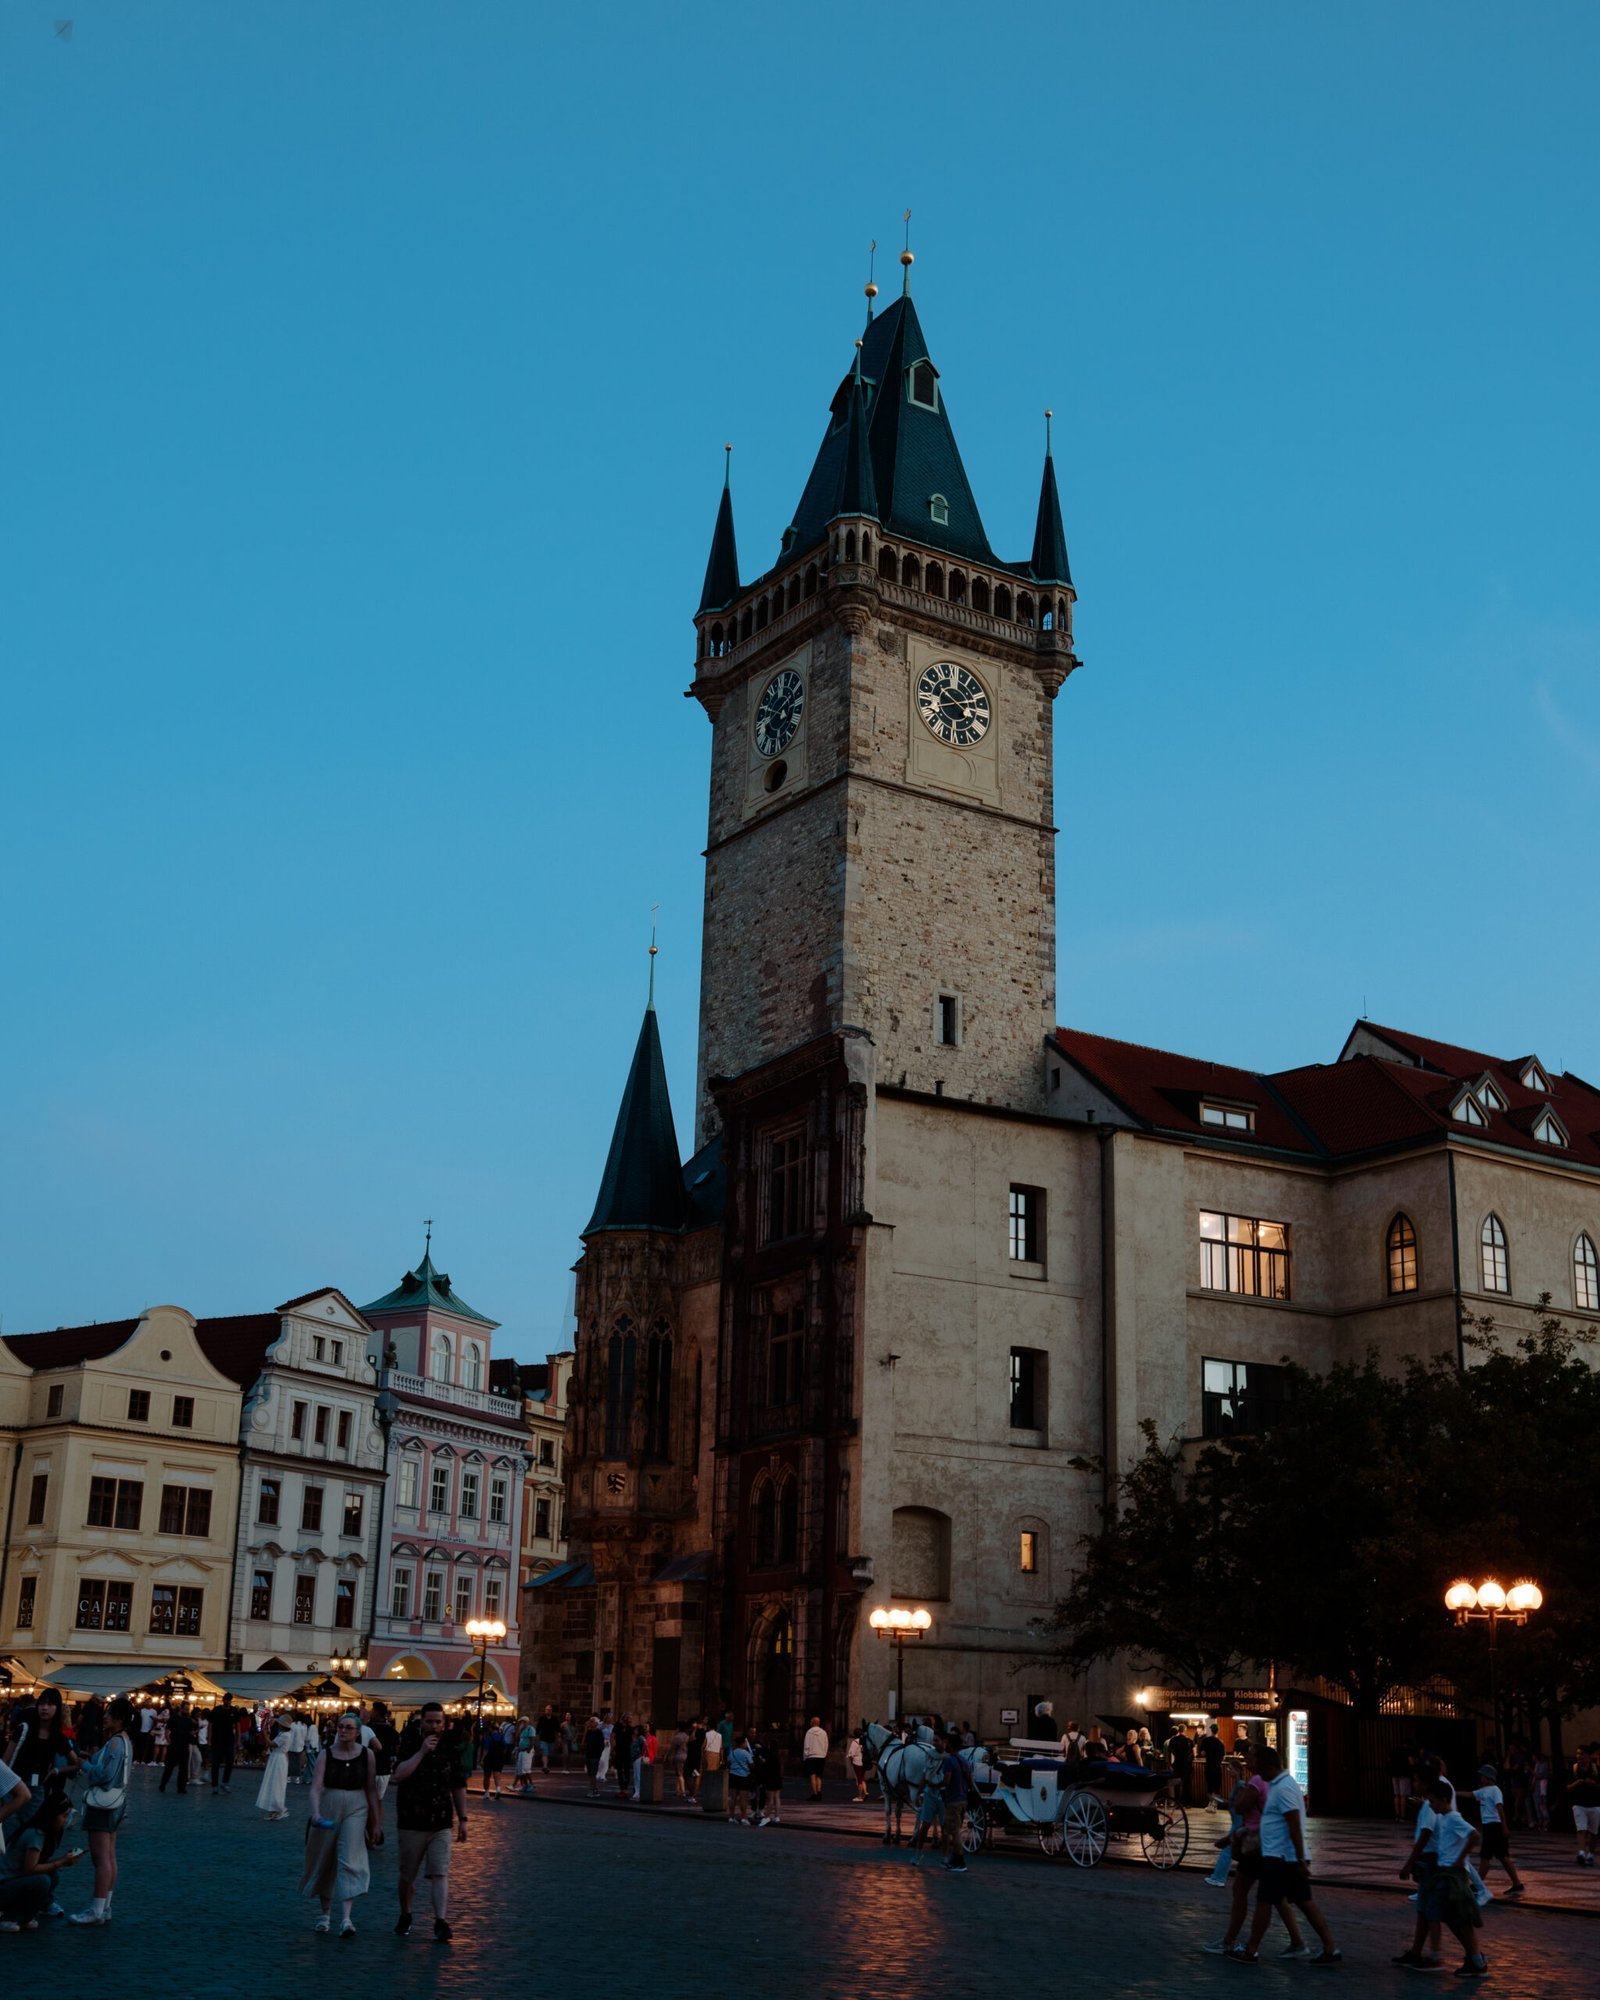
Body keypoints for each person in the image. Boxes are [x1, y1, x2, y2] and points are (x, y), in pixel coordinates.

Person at [1233, 1746, 1341, 1966]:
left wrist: (1301, 1859)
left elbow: (1293, 1824)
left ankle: (1251, 1950)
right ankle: (1330, 1948)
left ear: (1272, 1766)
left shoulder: (1283, 1789)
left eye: (1261, 1769)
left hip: (1281, 1857)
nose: (1258, 1774)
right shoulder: (1279, 1785)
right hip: (1285, 1856)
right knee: (1305, 1903)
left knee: (1264, 1902)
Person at [1202, 1745, 1307, 1958]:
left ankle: (1235, 1942)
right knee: (1276, 1897)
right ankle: (1298, 1942)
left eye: (1250, 1757)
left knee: (1243, 1892)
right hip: (1265, 1843)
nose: (1246, 1760)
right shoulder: (1272, 1782)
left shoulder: (1258, 1782)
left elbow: (1241, 1807)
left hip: (1256, 1843)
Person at [393, 1702, 469, 1942]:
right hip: (411, 1820)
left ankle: (440, 1921)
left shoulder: (450, 1749)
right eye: (429, 1721)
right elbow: (399, 1774)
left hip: (441, 1821)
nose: (434, 1726)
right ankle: (406, 1913)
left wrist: (463, 1819)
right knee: (408, 1876)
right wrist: (422, 1752)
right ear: (421, 1722)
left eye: (438, 1722)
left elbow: (458, 1785)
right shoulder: (409, 1744)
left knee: (440, 1873)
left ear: (444, 1724)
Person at [301, 1711, 381, 1936]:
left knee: (350, 1857)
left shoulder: (367, 1755)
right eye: (340, 1727)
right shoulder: (327, 1754)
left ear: (358, 1732)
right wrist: (315, 1813)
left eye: (348, 1727)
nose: (343, 1731)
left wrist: (376, 1822)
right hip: (329, 1804)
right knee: (325, 1857)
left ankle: (346, 1919)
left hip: (357, 1805)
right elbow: (316, 1787)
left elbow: (371, 1790)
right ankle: (325, 1914)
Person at [1400, 1776, 1488, 1978]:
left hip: (1451, 1874)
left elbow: (1474, 1835)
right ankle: (1474, 1959)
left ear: (1442, 1800)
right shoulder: (1446, 1818)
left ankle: (1436, 1956)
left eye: (1432, 1801)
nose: (1430, 1805)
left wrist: (1460, 1858)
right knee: (1454, 1919)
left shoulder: (1454, 1817)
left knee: (1436, 1913)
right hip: (1444, 1872)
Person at [66, 1695, 133, 1925]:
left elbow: (105, 1775)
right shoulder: (125, 1741)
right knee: (110, 1856)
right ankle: (105, 1906)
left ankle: (96, 1909)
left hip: (102, 1804)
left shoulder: (115, 1742)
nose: (104, 1717)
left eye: (109, 1713)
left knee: (100, 1857)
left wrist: (83, 1765)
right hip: (116, 1803)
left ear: (119, 1719)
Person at [0, 1780, 83, 1930]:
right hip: (4, 1884)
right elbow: (30, 1869)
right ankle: (11, 1917)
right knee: (42, 1881)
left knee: (51, 1876)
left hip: (12, 1881)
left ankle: (28, 1913)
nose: (66, 1821)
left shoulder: (45, 1832)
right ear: (53, 1815)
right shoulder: (36, 1834)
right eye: (64, 1816)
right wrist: (61, 1862)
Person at [1471, 1763, 1525, 1895]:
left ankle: (1478, 1885)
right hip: (1490, 1827)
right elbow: (1470, 1795)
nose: (1480, 1779)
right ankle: (1517, 1883)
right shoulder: (1484, 1791)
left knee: (1486, 1856)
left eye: (1482, 1776)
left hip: (1494, 1826)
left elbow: (1500, 1808)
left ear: (1488, 1778)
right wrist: (1452, 1793)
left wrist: (1504, 1827)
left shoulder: (1495, 1790)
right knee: (1501, 1856)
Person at [941, 1734, 970, 1873]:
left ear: (950, 1745)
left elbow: (947, 1780)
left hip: (953, 1800)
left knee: (954, 1832)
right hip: (963, 1799)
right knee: (952, 1829)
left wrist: (935, 1784)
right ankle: (954, 1859)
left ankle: (960, 1861)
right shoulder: (964, 1760)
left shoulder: (949, 1760)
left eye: (946, 1743)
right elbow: (970, 1780)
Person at [257, 1716, 293, 1818]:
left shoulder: (285, 1735)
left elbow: (272, 1744)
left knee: (276, 1784)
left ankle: (277, 1808)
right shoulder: (285, 1734)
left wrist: (264, 1732)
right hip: (278, 1759)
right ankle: (275, 1808)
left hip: (278, 1759)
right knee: (275, 1783)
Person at [1569, 1748, 1600, 1866]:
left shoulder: (1596, 1768)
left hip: (1595, 1804)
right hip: (1579, 1804)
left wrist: (1593, 1784)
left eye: (1582, 1754)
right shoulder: (1574, 1769)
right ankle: (1581, 1853)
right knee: (1581, 1829)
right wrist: (1579, 1782)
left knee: (1594, 1832)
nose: (1579, 1756)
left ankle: (1591, 1854)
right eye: (1577, 1754)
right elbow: (1567, 1787)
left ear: (1588, 1756)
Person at [159, 1704, 195, 1794]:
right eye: (186, 1709)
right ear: (181, 1709)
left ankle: (181, 1787)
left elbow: (190, 1732)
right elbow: (167, 1730)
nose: (187, 1711)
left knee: (183, 1768)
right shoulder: (173, 1718)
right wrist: (168, 1741)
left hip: (184, 1746)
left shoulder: (189, 1720)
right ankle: (163, 1784)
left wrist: (194, 1733)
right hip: (174, 1746)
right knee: (169, 1768)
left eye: (188, 1710)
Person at [754, 1729, 784, 1826]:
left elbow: (766, 1768)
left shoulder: (770, 1756)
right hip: (778, 1778)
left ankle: (766, 1817)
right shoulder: (778, 1756)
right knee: (777, 1798)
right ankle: (777, 1816)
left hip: (771, 1779)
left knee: (770, 1799)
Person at [210, 1696, 238, 1794]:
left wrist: (238, 1740)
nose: (228, 1702)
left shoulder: (234, 1710)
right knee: (215, 1763)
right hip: (217, 1740)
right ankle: (214, 1785)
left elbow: (237, 1725)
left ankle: (225, 1782)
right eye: (226, 1700)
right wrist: (209, 1739)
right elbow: (210, 1724)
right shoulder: (217, 1710)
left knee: (230, 1761)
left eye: (229, 1700)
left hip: (229, 1740)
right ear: (223, 1700)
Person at [727, 1730, 755, 1824]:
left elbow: (729, 1763)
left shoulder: (732, 1752)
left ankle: (731, 1817)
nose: (746, 1744)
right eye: (745, 1742)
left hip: (733, 1776)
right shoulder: (746, 1753)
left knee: (732, 1797)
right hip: (743, 1777)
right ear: (742, 1743)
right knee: (743, 1798)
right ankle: (744, 1817)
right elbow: (752, 1765)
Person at [802, 1716, 829, 1799]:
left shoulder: (809, 1732)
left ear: (812, 1722)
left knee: (812, 1775)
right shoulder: (823, 1732)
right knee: (819, 1775)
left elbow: (806, 1745)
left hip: (811, 1756)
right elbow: (826, 1744)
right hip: (821, 1756)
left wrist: (805, 1756)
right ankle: (819, 1790)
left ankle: (815, 1793)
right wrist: (824, 1754)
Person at [1200, 1724, 1226, 1804]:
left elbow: (1203, 1753)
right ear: (1218, 1731)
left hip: (1209, 1767)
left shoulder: (1206, 1740)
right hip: (1218, 1768)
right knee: (1217, 1788)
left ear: (1211, 1730)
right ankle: (1215, 1806)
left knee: (1209, 1787)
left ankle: (1210, 1804)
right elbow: (1223, 1757)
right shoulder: (1221, 1743)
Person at [583, 1716, 605, 1797]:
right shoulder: (589, 1732)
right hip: (589, 1754)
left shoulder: (599, 1733)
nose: (590, 1722)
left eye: (592, 1721)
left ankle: (592, 1790)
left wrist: (598, 1754)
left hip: (595, 1756)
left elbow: (601, 1745)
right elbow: (584, 1742)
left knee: (593, 1773)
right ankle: (595, 1789)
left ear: (596, 1723)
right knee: (590, 1774)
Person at [534, 1704, 558, 1775]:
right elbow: (538, 1728)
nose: (548, 1711)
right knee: (545, 1753)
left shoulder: (554, 1718)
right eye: (547, 1710)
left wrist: (559, 1736)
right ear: (545, 1710)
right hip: (543, 1738)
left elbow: (557, 1728)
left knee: (549, 1753)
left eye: (549, 1710)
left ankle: (545, 1765)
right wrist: (537, 1736)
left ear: (551, 1711)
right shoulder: (542, 1718)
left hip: (551, 1739)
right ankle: (545, 1767)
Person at [669, 1723, 690, 1799]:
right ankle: (677, 1790)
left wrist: (668, 1756)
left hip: (678, 1756)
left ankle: (683, 1791)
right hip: (686, 1756)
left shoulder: (677, 1737)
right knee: (679, 1774)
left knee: (679, 1774)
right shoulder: (688, 1737)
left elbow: (672, 1748)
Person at [847, 1729, 867, 1802]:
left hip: (857, 1762)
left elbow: (851, 1754)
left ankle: (859, 1796)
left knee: (859, 1780)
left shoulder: (854, 1742)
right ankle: (865, 1792)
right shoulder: (864, 1741)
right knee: (862, 1778)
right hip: (864, 1761)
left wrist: (852, 1763)